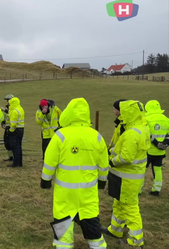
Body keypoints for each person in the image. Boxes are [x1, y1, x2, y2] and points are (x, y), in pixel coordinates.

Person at [41, 98, 109, 249]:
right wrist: (103, 181)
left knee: (63, 225)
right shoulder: (96, 136)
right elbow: (104, 164)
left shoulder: (60, 136)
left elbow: (50, 161)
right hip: (88, 192)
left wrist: (45, 180)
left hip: (65, 194)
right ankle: (98, 246)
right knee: (91, 221)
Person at [102, 100, 150, 248]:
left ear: (128, 113)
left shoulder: (132, 134)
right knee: (119, 202)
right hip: (127, 176)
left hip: (127, 178)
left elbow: (125, 157)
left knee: (130, 208)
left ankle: (136, 241)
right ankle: (115, 230)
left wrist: (110, 162)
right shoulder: (142, 128)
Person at [144, 100, 169, 196]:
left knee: (142, 170)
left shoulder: (146, 119)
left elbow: (147, 134)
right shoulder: (166, 119)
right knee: (157, 170)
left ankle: (139, 190)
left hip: (148, 150)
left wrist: (157, 143)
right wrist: (165, 144)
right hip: (160, 152)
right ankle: (156, 189)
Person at [7, 96, 25, 167]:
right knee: (19, 146)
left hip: (15, 130)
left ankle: (16, 162)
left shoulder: (14, 111)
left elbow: (13, 123)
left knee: (15, 147)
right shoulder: (20, 109)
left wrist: (10, 131)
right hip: (21, 129)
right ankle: (19, 162)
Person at [2, 94, 14, 162]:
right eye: (7, 100)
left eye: (8, 100)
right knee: (7, 143)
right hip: (7, 128)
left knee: (13, 143)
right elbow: (5, 117)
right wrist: (3, 123)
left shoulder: (14, 109)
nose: (7, 102)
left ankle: (14, 156)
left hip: (13, 128)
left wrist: (5, 111)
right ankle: (10, 157)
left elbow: (11, 114)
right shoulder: (7, 109)